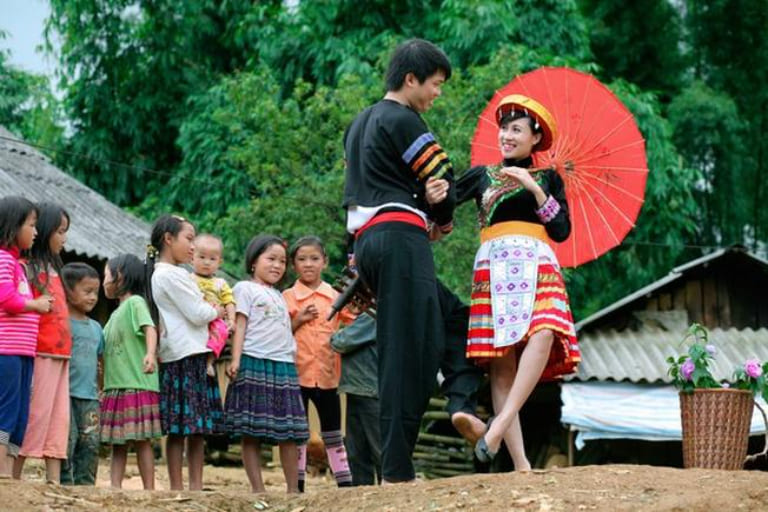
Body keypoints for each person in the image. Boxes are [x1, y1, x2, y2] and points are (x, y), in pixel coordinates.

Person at [342, 37, 458, 483]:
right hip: (400, 240)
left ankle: (395, 461)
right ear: (410, 80)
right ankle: (396, 468)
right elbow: (442, 177)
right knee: (411, 350)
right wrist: (441, 217)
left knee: (425, 332)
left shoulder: (358, 123)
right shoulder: (405, 120)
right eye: (435, 84)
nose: (437, 94)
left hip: (367, 244)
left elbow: (361, 190)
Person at [454, 94, 580, 468]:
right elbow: (443, 205)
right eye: (504, 129)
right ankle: (521, 465)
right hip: (494, 265)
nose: (507, 136)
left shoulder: (549, 178)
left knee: (545, 331)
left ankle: (498, 426)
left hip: (538, 262)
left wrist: (536, 188)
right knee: (502, 361)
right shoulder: (481, 175)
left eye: (516, 130)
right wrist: (432, 191)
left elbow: (561, 231)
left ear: (535, 138)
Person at [225, 235, 308, 494]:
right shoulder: (244, 289)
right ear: (253, 261)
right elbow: (240, 325)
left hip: (283, 365)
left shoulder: (279, 296)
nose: (277, 265)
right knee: (250, 431)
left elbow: (282, 330)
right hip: (253, 360)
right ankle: (258, 490)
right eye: (270, 259)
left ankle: (293, 491)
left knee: (290, 431)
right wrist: (236, 359)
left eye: (282, 261)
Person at [148, 214, 223, 491]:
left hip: (183, 353)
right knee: (188, 427)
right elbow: (198, 312)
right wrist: (217, 310)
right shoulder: (171, 275)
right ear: (169, 239)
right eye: (189, 239)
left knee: (189, 427)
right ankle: (187, 486)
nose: (193, 247)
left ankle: (186, 486)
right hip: (186, 355)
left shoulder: (165, 273)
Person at [283, 235, 355, 490]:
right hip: (296, 375)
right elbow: (278, 335)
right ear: (293, 265)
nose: (308, 264)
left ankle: (344, 484)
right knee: (298, 433)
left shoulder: (336, 295)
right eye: (302, 259)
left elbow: (354, 321)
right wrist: (298, 320)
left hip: (328, 375)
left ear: (324, 262)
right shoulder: (288, 297)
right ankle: (297, 484)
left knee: (333, 432)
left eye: (314, 259)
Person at [13, 203, 71, 483]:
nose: (64, 238)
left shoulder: (57, 270)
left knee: (60, 420)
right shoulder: (26, 269)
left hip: (62, 355)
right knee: (34, 415)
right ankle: (12, 476)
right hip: (40, 352)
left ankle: (54, 481)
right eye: (60, 231)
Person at [101, 254, 162, 489]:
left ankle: (149, 490)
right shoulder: (114, 314)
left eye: (106, 274)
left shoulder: (135, 303)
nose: (103, 280)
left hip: (136, 383)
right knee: (118, 443)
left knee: (142, 441)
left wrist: (149, 353)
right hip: (116, 386)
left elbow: (150, 327)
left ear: (120, 276)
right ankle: (114, 487)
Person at [0, 197, 49, 479]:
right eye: (31, 225)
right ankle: (2, 472)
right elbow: (5, 298)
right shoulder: (3, 260)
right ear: (13, 226)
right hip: (6, 350)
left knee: (19, 413)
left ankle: (8, 470)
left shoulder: (16, 264)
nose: (36, 231)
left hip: (22, 352)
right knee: (6, 409)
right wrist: (36, 305)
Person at [60, 262, 103, 486]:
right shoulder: (61, 323)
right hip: (64, 396)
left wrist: (101, 389)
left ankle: (86, 487)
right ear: (67, 291)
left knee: (91, 444)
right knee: (67, 442)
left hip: (90, 398)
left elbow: (100, 361)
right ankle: (65, 484)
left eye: (96, 292)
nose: (93, 297)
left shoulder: (96, 328)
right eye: (87, 291)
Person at [330, 313, 380, 486]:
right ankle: (362, 495)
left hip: (368, 389)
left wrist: (338, 330)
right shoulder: (369, 316)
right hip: (359, 390)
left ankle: (390, 492)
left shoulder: (370, 317)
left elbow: (340, 342)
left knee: (377, 447)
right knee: (357, 451)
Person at [190, 233, 236, 378]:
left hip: (216, 319)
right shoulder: (188, 279)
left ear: (219, 262)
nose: (207, 262)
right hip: (196, 316)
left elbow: (229, 301)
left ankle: (209, 362)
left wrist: (232, 320)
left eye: (212, 259)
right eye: (202, 257)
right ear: (192, 258)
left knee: (222, 331)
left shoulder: (220, 283)